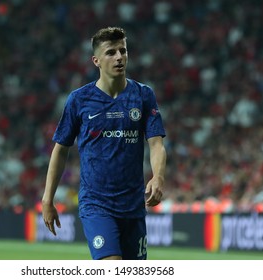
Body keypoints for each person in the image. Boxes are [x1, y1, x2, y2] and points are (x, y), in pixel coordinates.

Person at [42, 27, 167, 260]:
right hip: (96, 204)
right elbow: (60, 150)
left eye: (123, 51)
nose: (119, 57)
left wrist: (158, 176)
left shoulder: (143, 95)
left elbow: (156, 144)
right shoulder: (79, 100)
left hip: (133, 206)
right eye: (111, 52)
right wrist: (47, 198)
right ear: (96, 60)